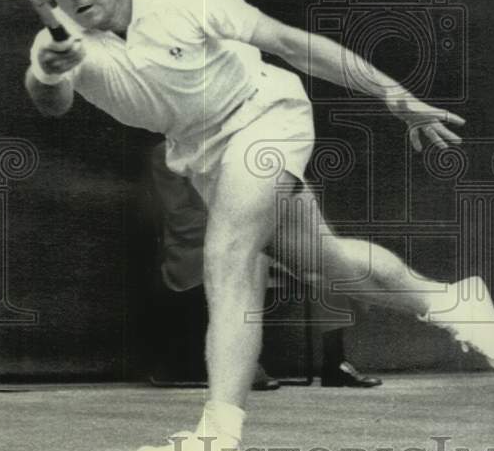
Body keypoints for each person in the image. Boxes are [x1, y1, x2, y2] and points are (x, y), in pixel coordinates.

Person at [22, 0, 494, 451]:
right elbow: (52, 102)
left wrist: (394, 95)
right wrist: (46, 72)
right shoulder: (60, 43)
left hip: (265, 117)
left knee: (228, 255)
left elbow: (294, 45)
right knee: (326, 261)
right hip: (202, 152)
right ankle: (452, 301)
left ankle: (218, 440)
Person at [148, 153, 383, 390]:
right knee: (247, 266)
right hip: (199, 248)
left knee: (323, 267)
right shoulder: (169, 155)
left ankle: (335, 364)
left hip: (262, 241)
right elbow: (181, 216)